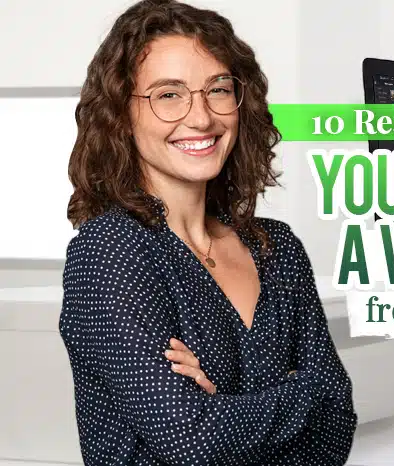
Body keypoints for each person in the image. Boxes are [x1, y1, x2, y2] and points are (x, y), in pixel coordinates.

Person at [58, 0, 357, 464]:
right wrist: (307, 390)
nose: (201, 118)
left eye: (217, 90)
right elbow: (190, 442)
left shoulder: (277, 249)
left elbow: (338, 424)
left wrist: (222, 410)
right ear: (121, 113)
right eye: (169, 94)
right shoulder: (109, 253)